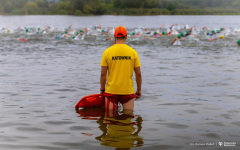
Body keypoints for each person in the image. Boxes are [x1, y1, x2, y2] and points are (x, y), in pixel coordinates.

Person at [100, 26, 142, 112]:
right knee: (128, 118)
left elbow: (103, 74)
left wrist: (102, 90)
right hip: (128, 91)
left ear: (114, 37)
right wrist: (138, 89)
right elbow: (139, 74)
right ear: (126, 36)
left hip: (111, 91)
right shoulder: (133, 52)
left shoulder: (107, 52)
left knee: (110, 119)